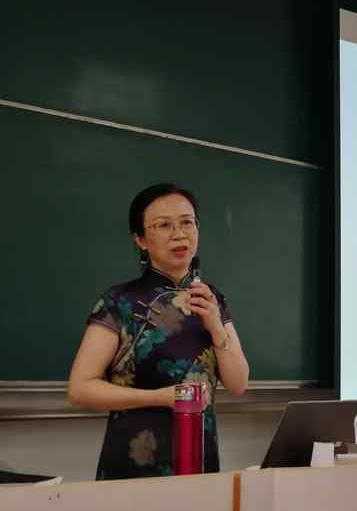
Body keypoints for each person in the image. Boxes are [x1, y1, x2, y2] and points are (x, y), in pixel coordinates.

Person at [68, 184, 250, 480]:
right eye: (164, 225)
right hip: (135, 463)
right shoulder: (120, 301)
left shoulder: (211, 299)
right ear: (140, 239)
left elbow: (239, 383)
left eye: (187, 222)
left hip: (200, 461)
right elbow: (80, 388)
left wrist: (216, 326)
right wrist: (161, 397)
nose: (179, 234)